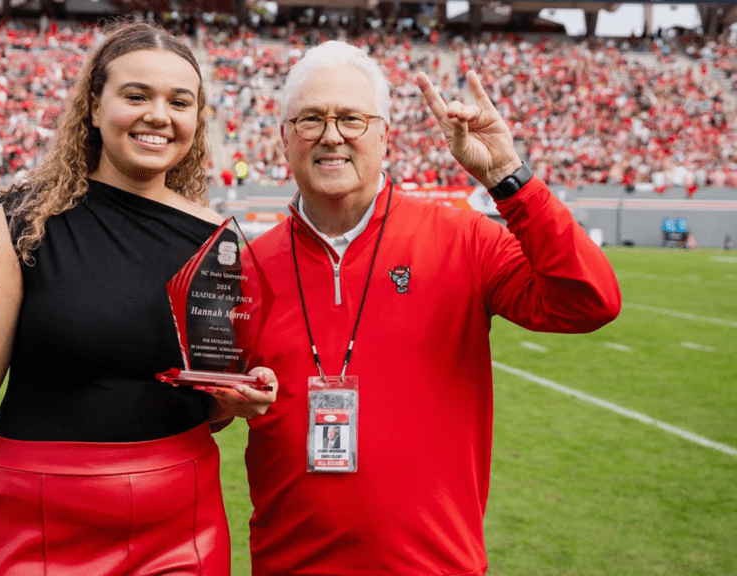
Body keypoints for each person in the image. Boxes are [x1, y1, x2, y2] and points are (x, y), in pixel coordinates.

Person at [240, 41, 621, 576]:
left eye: (351, 118)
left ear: (384, 136)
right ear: (284, 138)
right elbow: (205, 412)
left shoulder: (462, 238)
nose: (331, 135)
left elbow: (591, 301)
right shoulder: (246, 268)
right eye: (310, 119)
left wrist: (508, 175)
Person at [0, 20, 276, 576]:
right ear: (93, 107)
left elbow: (207, 405)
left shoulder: (217, 241)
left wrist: (232, 399)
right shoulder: (24, 220)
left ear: (196, 120)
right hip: (36, 516)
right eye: (136, 95)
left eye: (180, 101)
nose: (159, 114)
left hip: (179, 521)